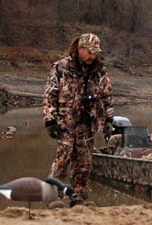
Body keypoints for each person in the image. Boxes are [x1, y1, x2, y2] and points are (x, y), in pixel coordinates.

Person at [43, 33, 113, 207]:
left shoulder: (99, 71)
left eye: (95, 52)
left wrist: (108, 120)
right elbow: (50, 96)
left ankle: (78, 198)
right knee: (62, 161)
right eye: (90, 52)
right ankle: (54, 198)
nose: (92, 56)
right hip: (65, 123)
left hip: (87, 124)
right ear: (80, 48)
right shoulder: (61, 67)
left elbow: (106, 97)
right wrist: (50, 120)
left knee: (84, 163)